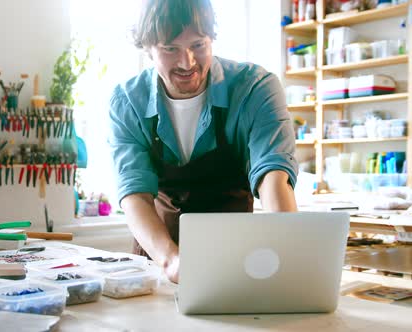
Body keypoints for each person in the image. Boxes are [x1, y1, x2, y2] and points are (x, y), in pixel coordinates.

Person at [107, 0, 298, 284]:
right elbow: (135, 194)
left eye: (198, 45)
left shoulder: (255, 88)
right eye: (171, 49)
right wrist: (171, 260)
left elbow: (272, 172)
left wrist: (290, 256)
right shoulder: (127, 102)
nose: (188, 63)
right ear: (148, 48)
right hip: (159, 254)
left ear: (212, 38)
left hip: (237, 255)